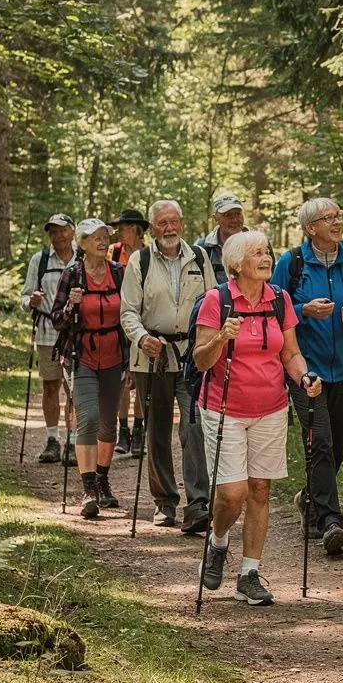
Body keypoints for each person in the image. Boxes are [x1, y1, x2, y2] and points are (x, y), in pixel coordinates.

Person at [194, 230, 321, 606]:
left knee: (260, 490)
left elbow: (291, 354)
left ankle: (249, 573)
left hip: (271, 407)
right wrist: (219, 338)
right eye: (257, 254)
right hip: (223, 408)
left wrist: (305, 376)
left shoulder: (279, 300)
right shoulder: (216, 301)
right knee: (233, 494)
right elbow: (201, 360)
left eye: (267, 252)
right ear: (236, 264)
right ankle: (218, 542)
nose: (266, 258)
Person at [272, 198, 343, 555]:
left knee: (334, 447)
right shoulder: (293, 263)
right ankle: (331, 521)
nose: (337, 221)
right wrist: (303, 310)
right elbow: (272, 307)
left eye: (338, 215)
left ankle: (310, 499)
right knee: (320, 442)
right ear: (310, 227)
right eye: (328, 217)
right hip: (306, 368)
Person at [120, 198, 216, 533]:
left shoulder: (199, 257)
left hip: (192, 355)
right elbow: (128, 310)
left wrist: (211, 342)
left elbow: (212, 302)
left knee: (194, 427)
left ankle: (199, 503)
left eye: (174, 221)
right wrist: (141, 337)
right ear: (152, 227)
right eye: (162, 223)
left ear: (183, 223)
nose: (169, 228)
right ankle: (164, 503)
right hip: (152, 356)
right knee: (157, 429)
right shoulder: (140, 261)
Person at [51, 218, 127, 519]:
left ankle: (102, 479)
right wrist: (71, 305)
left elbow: (131, 314)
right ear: (81, 243)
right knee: (89, 418)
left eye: (105, 237)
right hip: (79, 355)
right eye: (95, 237)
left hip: (114, 356)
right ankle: (88, 489)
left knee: (110, 425)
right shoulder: (73, 275)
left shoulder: (120, 274)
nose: (103, 241)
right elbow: (57, 320)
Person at [20, 214, 76, 463]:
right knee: (51, 385)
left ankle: (73, 442)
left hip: (77, 332)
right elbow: (24, 296)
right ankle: (53, 440)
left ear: (73, 232)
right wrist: (30, 301)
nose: (58, 236)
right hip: (47, 332)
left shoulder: (83, 257)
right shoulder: (39, 260)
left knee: (74, 388)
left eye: (62, 230)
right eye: (53, 232)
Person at [107, 208, 149, 458]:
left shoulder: (148, 254)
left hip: (144, 323)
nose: (119, 231)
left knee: (141, 378)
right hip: (117, 323)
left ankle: (139, 431)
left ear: (134, 228)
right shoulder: (113, 252)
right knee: (122, 379)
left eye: (122, 227)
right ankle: (124, 430)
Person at [196, 192, 274, 284]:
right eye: (228, 215)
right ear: (215, 218)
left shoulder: (260, 243)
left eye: (237, 214)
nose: (234, 219)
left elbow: (270, 280)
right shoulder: (204, 248)